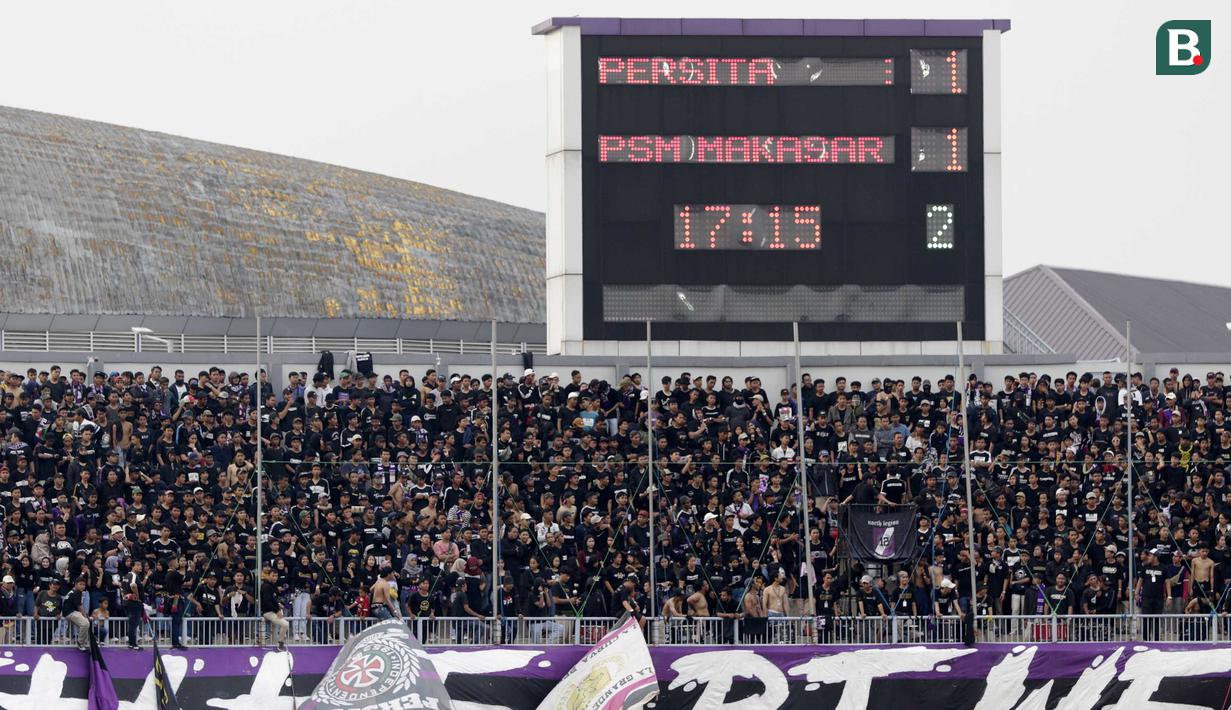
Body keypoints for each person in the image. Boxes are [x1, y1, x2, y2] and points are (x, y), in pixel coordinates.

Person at [260, 568, 289, 650]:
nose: (275, 578)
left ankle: (275, 645)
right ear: (268, 576)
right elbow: (267, 601)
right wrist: (277, 611)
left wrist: (279, 605)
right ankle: (280, 644)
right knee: (285, 624)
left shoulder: (273, 586)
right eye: (273, 575)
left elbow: (273, 600)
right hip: (268, 612)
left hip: (273, 610)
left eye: (276, 576)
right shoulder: (266, 586)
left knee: (275, 629)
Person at [64, 577, 91, 650]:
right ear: (75, 584)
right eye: (80, 584)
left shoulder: (73, 591)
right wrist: (85, 616)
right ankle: (80, 642)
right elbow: (79, 606)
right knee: (85, 623)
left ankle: (84, 641)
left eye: (84, 585)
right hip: (70, 612)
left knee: (85, 623)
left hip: (71, 612)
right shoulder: (77, 592)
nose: (82, 586)